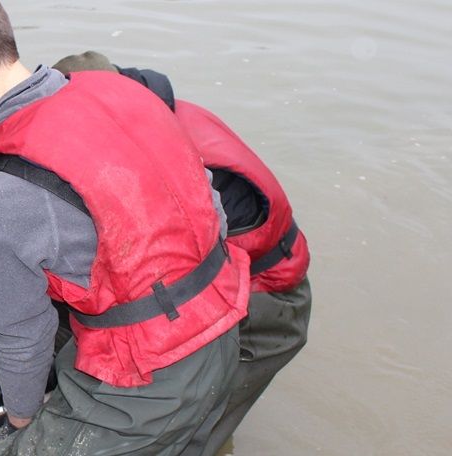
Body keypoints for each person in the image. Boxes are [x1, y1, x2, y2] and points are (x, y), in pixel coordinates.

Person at [0, 1, 252, 454]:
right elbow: (211, 209)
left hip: (148, 378)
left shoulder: (4, 192)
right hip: (224, 327)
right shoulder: (123, 92)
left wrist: (22, 420)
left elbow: (20, 330)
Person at [53, 51, 312, 455]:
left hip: (264, 303)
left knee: (192, 427)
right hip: (229, 282)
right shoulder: (160, 116)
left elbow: (175, 277)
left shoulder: (177, 158)